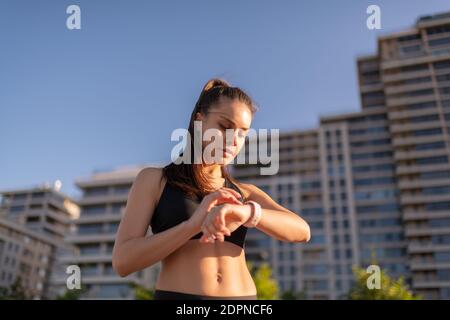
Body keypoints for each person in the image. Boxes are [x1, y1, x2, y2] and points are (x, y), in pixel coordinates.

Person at [112, 78, 311, 300]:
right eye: (225, 126)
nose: (233, 140)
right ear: (199, 122)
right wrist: (192, 225)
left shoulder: (245, 193)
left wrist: (247, 212)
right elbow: (123, 262)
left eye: (242, 132)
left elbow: (302, 231)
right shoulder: (155, 180)